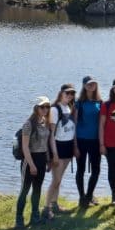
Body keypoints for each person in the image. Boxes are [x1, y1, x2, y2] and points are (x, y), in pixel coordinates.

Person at [17, 96, 54, 229]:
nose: (45, 109)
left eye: (47, 107)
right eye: (42, 107)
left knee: (37, 189)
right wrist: (31, 164)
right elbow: (25, 147)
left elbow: (46, 144)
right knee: (25, 190)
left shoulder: (45, 122)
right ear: (36, 108)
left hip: (42, 159)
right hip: (29, 160)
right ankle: (19, 220)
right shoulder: (28, 124)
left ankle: (35, 217)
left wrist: (49, 160)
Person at [43, 84, 76, 219]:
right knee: (55, 180)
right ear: (61, 93)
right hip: (58, 147)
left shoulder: (68, 107)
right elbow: (51, 135)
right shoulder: (55, 109)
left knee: (59, 179)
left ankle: (55, 204)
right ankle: (46, 208)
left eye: (72, 93)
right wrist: (54, 154)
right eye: (67, 93)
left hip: (68, 147)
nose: (69, 96)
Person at [75, 76, 103, 207]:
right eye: (89, 84)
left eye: (93, 84)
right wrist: (74, 145)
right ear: (84, 86)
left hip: (95, 141)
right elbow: (73, 125)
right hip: (81, 140)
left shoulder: (100, 102)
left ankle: (89, 196)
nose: (91, 86)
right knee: (80, 169)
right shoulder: (78, 103)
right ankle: (81, 197)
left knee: (96, 170)